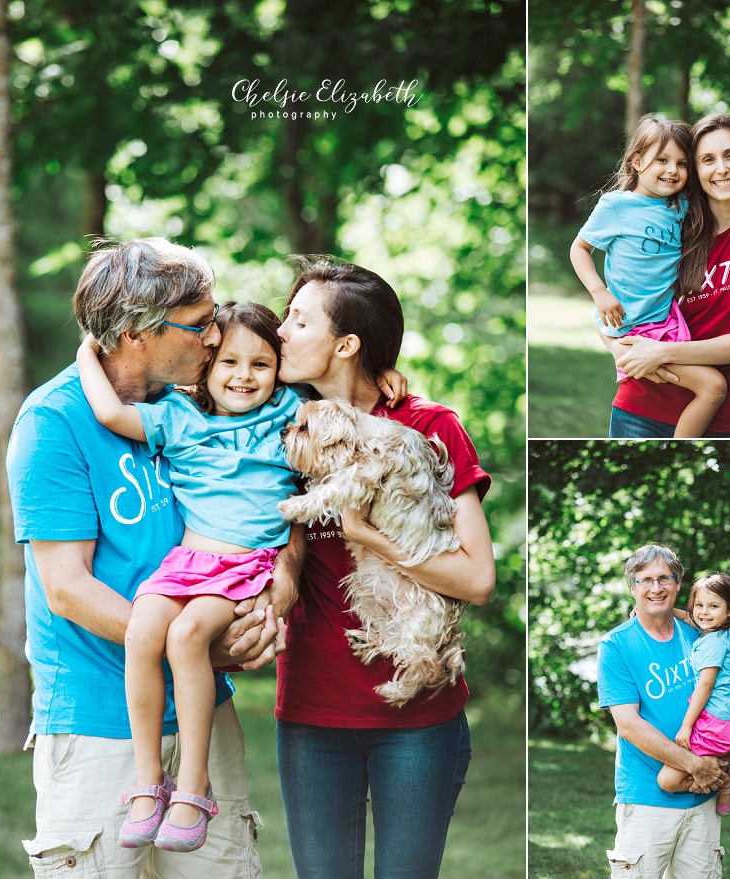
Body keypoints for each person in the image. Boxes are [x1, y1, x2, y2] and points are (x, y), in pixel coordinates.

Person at [7, 239, 297, 878]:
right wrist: (193, 645)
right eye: (200, 324)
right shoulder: (54, 423)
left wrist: (281, 588)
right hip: (98, 723)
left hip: (204, 717)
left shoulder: (203, 403)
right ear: (137, 333)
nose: (216, 334)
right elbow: (67, 589)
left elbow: (284, 489)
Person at [272, 259, 496, 878]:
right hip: (313, 710)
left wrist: (374, 538)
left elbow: (477, 579)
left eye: (299, 320)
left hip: (419, 720)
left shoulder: (430, 427)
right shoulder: (279, 423)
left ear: (346, 344)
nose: (281, 332)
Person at [75, 300, 301, 852]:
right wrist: (88, 350)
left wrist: (384, 370)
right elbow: (110, 414)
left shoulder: (293, 413)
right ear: (207, 364)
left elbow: (348, 390)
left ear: (280, 370)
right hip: (186, 564)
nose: (243, 375)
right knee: (144, 632)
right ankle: (150, 782)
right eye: (228, 360)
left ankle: (193, 786)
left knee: (187, 635)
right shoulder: (180, 417)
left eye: (260, 364)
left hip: (245, 566)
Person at [607, 113, 730, 438]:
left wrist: (659, 352)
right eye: (707, 160)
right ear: (695, 170)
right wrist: (622, 352)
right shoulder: (667, 227)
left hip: (719, 420)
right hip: (640, 407)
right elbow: (615, 297)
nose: (721, 169)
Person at [571, 115, 729, 438]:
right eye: (662, 160)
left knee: (703, 388)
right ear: (638, 161)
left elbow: (722, 205)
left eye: (682, 164)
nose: (673, 170)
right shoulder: (616, 206)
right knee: (713, 386)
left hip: (664, 324)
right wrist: (599, 292)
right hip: (633, 328)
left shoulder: (681, 205)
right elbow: (579, 248)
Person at [598, 544, 730, 877]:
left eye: (664, 579)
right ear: (632, 588)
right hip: (648, 800)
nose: (655, 588)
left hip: (702, 800)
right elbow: (628, 726)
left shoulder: (699, 634)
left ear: (677, 584)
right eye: (645, 580)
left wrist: (706, 768)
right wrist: (694, 765)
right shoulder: (616, 645)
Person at [658, 573, 730, 817]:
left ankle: (724, 782)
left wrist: (686, 726)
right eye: (699, 605)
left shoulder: (713, 643)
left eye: (713, 606)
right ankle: (718, 778)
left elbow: (705, 686)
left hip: (716, 725)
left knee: (667, 780)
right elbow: (691, 618)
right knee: (692, 770)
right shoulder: (723, 632)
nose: (704, 612)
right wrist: (661, 612)